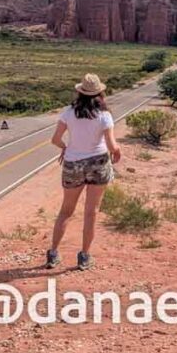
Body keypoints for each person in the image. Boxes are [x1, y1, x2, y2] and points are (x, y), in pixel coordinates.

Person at [46, 73, 122, 270]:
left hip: (73, 163)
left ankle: (53, 253)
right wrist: (117, 151)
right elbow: (112, 145)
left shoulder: (69, 113)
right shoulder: (105, 115)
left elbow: (55, 139)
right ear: (100, 93)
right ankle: (84, 256)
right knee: (91, 213)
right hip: (98, 163)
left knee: (66, 211)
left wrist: (65, 148)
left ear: (80, 92)